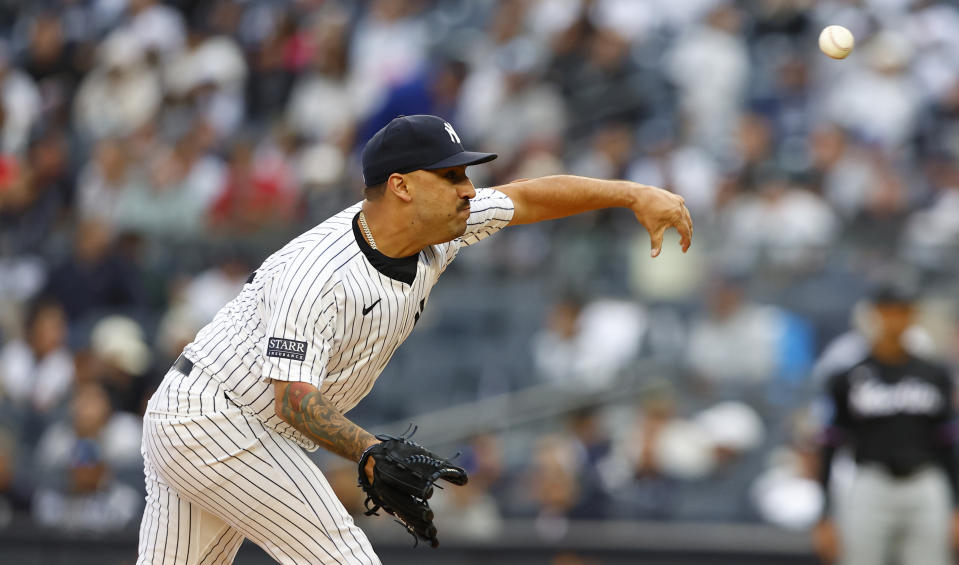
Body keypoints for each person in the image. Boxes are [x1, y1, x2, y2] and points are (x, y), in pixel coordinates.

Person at [135, 114, 692, 564]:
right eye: (451, 176)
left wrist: (633, 193)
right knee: (340, 554)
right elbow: (293, 398)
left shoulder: (443, 228)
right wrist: (369, 451)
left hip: (215, 419)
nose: (468, 188)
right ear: (400, 186)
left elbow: (529, 198)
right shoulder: (315, 274)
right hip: (215, 416)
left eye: (465, 174)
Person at [812, 283, 959, 565]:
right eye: (888, 311)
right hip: (871, 483)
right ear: (875, 314)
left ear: (912, 317)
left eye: (902, 312)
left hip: (925, 484)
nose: (895, 319)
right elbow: (830, 445)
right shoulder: (848, 378)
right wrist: (825, 515)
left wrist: (956, 506)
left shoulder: (935, 374)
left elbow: (948, 444)